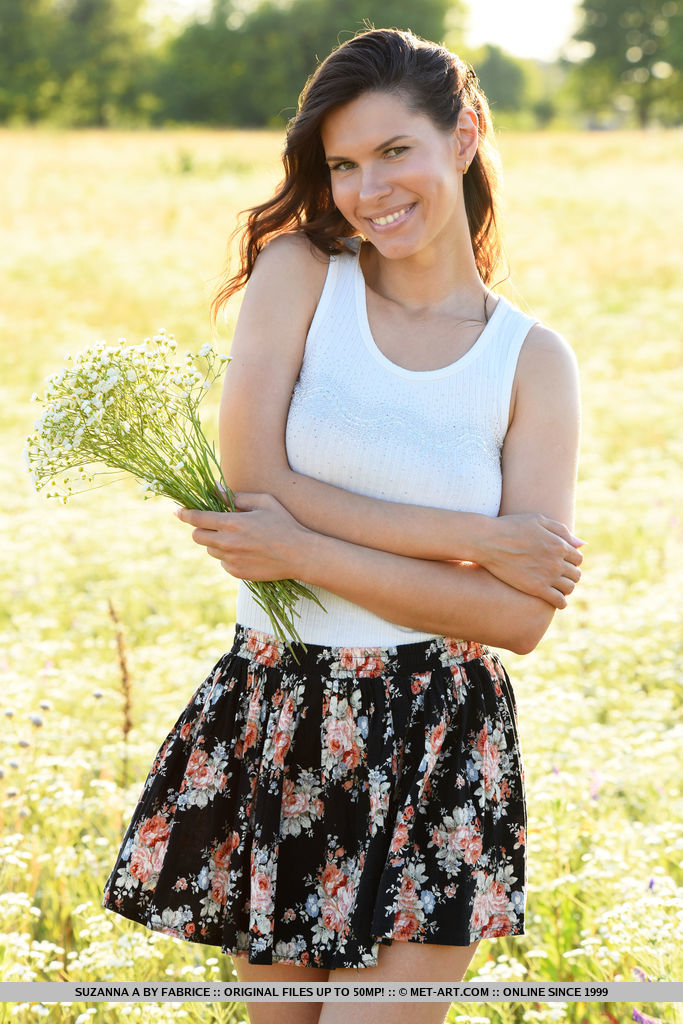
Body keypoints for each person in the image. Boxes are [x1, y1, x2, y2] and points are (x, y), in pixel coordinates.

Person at [102, 27, 583, 1024]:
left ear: (462, 136)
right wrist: (477, 541)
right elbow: (253, 481)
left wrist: (304, 549)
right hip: (281, 708)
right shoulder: (300, 273)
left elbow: (517, 619)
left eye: (395, 150)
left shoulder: (530, 361)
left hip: (438, 729)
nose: (369, 189)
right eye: (343, 165)